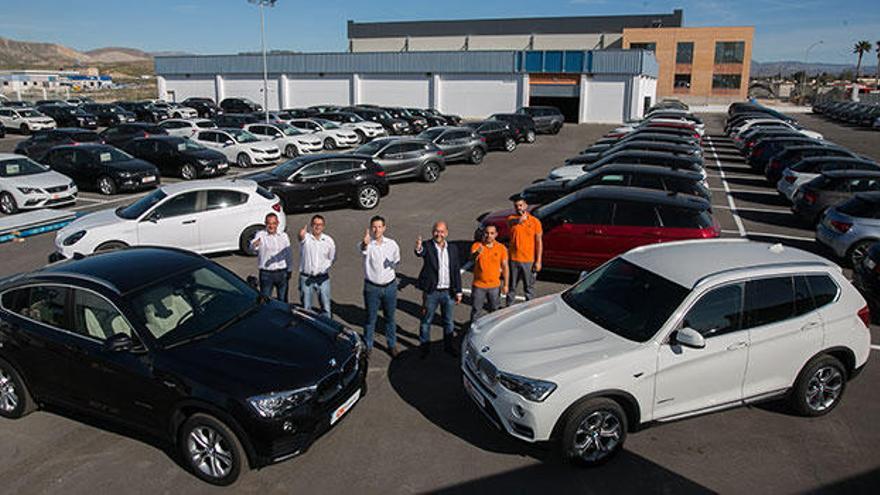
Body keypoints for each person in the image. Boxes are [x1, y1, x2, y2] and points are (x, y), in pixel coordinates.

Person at [414, 221, 462, 358]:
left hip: (448, 292)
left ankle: (449, 346)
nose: (438, 234)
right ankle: (424, 347)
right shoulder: (427, 246)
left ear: (446, 233)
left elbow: (456, 271)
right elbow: (420, 252)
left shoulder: (452, 248)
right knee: (426, 321)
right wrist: (418, 248)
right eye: (436, 231)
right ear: (432, 232)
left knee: (448, 321)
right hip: (432, 292)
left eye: (441, 231)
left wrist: (458, 291)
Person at [361, 215, 401, 357]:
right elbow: (363, 249)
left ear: (384, 228)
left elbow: (397, 260)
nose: (376, 230)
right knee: (370, 319)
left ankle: (391, 345)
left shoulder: (392, 244)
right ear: (371, 228)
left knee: (390, 318)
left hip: (390, 287)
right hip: (372, 288)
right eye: (374, 227)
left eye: (379, 227)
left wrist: (392, 265)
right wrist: (365, 243)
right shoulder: (368, 244)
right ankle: (368, 346)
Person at [506, 196, 542, 305]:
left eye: (521, 205)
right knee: (511, 287)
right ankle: (508, 309)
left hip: (528, 260)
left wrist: (538, 261)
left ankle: (529, 308)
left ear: (526, 206)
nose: (519, 208)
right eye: (516, 206)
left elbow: (539, 242)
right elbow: (511, 222)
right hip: (513, 259)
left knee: (529, 288)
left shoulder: (535, 222)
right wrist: (519, 220)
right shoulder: (511, 219)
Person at [298, 214, 335, 319]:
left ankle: (327, 326)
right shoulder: (306, 238)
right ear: (311, 225)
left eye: (320, 224)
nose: (317, 227)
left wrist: (324, 268)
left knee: (326, 306)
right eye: (315, 224)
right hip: (306, 277)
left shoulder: (329, 241)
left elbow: (332, 258)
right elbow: (301, 238)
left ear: (323, 226)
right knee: (306, 307)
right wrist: (300, 235)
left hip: (322, 278)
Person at [470, 224, 508, 324]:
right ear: (483, 234)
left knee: (495, 311)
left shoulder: (501, 248)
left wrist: (506, 285)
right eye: (487, 233)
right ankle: (473, 329)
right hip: (479, 286)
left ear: (496, 234)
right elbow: (471, 259)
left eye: (492, 233)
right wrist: (477, 253)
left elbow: (505, 267)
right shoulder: (477, 246)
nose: (489, 235)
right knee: (476, 311)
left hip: (495, 286)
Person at [250, 213, 292, 302]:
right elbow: (253, 247)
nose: (271, 226)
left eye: (274, 223)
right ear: (265, 223)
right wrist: (255, 244)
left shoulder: (283, 236)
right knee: (265, 300)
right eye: (269, 223)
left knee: (283, 300)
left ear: (277, 223)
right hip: (266, 274)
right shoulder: (261, 235)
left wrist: (289, 269)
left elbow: (288, 253)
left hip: (282, 272)